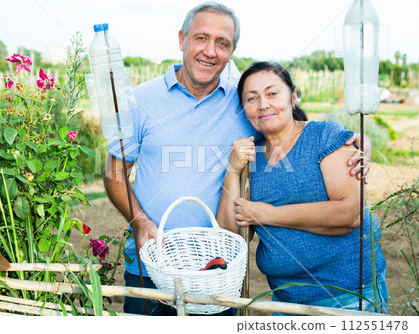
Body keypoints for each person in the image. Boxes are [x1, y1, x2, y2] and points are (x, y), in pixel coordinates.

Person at [104, 2, 370, 316]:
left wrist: (353, 140)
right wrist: (141, 221)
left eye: (223, 43)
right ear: (181, 40)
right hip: (152, 264)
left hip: (217, 271)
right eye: (201, 38)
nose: (210, 51)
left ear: (232, 51)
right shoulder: (140, 99)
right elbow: (113, 171)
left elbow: (288, 125)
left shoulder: (243, 101)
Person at [216, 61, 387, 315]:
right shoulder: (251, 157)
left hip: (349, 297)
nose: (263, 104)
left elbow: (350, 213)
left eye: (272, 93)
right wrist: (232, 170)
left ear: (293, 97)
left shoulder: (324, 136)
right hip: (286, 301)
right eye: (252, 98)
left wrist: (268, 215)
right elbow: (229, 237)